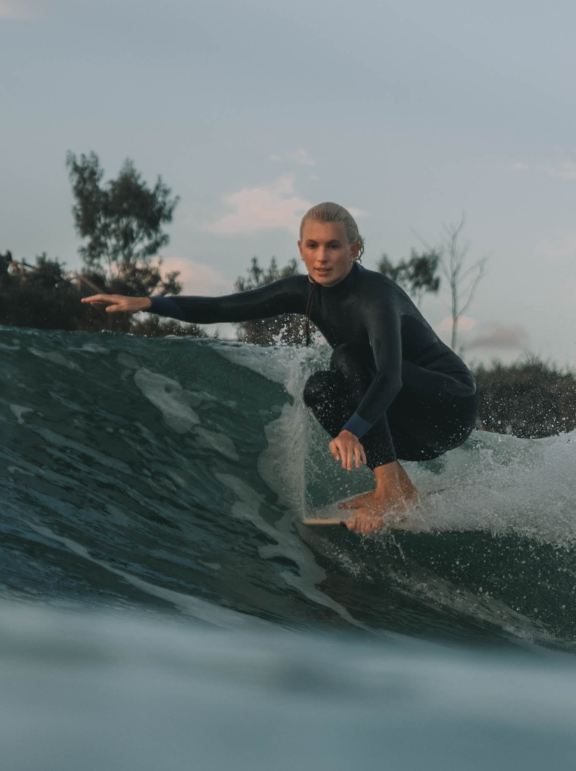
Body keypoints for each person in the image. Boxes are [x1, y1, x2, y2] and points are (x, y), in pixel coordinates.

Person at [83, 202, 478, 533]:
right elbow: (225, 307)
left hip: (449, 406)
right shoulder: (302, 291)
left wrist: (353, 430)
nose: (322, 257)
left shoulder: (375, 295)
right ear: (301, 248)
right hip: (408, 427)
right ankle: (399, 491)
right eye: (313, 245)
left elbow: (389, 375)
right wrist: (150, 303)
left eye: (334, 246)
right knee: (320, 388)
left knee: (347, 357)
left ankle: (387, 490)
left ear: (355, 249)